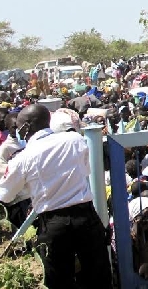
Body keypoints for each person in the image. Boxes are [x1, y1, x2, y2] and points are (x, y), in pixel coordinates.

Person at [0, 104, 112, 288]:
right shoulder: (74, 139)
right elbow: (85, 170)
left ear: (26, 127)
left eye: (18, 126)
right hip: (86, 217)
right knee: (98, 276)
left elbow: (6, 194)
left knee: (59, 280)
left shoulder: (23, 157)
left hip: (54, 224)